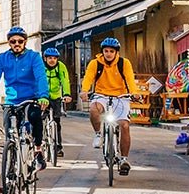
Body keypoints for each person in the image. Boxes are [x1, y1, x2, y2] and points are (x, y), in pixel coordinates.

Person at [0, 27, 50, 172]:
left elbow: (41, 77)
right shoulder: (2, 58)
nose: (17, 44)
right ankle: (11, 170)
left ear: (25, 42)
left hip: (31, 98)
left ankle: (38, 150)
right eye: (13, 41)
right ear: (9, 43)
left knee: (35, 117)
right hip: (11, 101)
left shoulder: (34, 57)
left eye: (20, 41)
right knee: (9, 133)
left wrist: (43, 96)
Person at [82, 36, 138, 174]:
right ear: (102, 51)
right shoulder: (95, 63)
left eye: (111, 51)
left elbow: (130, 79)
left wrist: (135, 92)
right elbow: (88, 77)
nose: (108, 54)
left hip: (121, 96)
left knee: (124, 125)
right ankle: (97, 134)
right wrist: (84, 91)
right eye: (106, 51)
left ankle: (124, 159)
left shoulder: (124, 63)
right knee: (94, 109)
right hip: (101, 95)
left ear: (116, 52)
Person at [43, 46, 72, 154]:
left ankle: (58, 147)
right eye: (49, 58)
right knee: (40, 119)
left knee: (57, 122)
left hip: (56, 97)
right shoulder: (41, 67)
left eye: (54, 58)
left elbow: (65, 80)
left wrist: (66, 94)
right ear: (45, 59)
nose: (52, 60)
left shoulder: (60, 67)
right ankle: (41, 142)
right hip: (43, 97)